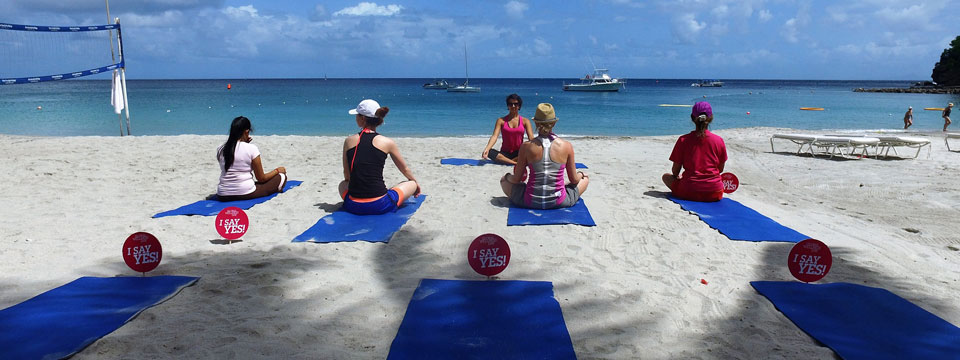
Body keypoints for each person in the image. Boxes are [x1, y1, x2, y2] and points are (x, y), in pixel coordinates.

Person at [338, 99, 420, 215]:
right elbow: (405, 169)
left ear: (363, 119)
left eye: (357, 115)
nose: (356, 118)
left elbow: (347, 176)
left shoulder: (348, 141)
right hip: (380, 205)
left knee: (342, 185)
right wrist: (416, 184)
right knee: (411, 184)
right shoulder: (387, 142)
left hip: (353, 205)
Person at [500, 103, 589, 209]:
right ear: (554, 123)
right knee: (585, 179)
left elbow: (516, 179)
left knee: (503, 181)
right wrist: (581, 174)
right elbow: (574, 180)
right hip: (559, 201)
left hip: (531, 201)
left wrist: (507, 177)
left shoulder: (526, 147)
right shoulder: (566, 146)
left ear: (536, 124)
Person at [661, 101, 727, 202]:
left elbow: (675, 170)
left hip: (689, 191)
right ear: (711, 118)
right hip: (714, 192)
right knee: (716, 182)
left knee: (666, 177)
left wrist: (678, 177)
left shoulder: (683, 140)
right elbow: (720, 169)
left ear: (692, 118)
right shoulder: (719, 140)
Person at [216, 116, 288, 201]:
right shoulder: (251, 148)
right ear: (246, 131)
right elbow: (261, 178)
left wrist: (244, 143)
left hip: (223, 194)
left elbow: (235, 160)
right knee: (281, 177)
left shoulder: (220, 149)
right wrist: (277, 171)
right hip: (244, 192)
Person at [481, 94, 535, 165]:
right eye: (510, 104)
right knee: (490, 152)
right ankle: (514, 162)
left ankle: (509, 161)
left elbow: (531, 137)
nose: (513, 106)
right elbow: (494, 136)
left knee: (529, 149)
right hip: (505, 153)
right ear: (508, 106)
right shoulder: (501, 120)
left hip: (519, 152)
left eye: (515, 104)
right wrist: (487, 149)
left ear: (519, 106)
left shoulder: (525, 121)